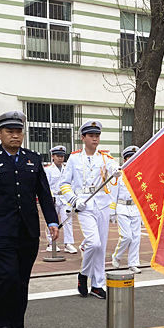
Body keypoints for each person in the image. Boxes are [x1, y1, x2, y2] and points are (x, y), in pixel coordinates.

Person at [0, 111, 59, 328]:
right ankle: (2, 322)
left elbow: (44, 194)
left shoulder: (33, 158)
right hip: (0, 229)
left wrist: (52, 221)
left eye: (18, 132)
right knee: (7, 276)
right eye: (10, 132)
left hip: (28, 229)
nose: (15, 136)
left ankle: (18, 323)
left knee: (22, 279)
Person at [59, 120, 119, 299]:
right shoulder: (74, 158)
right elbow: (64, 183)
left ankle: (97, 284)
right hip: (84, 205)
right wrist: (74, 200)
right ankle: (83, 274)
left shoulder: (105, 157)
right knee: (94, 243)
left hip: (102, 204)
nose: (95, 139)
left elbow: (113, 168)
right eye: (91, 135)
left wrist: (116, 171)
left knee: (101, 247)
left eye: (97, 135)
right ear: (83, 137)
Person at [110, 145, 142, 274]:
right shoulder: (118, 174)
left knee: (136, 237)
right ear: (125, 159)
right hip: (122, 207)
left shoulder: (140, 175)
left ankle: (133, 263)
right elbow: (113, 194)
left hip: (135, 208)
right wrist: (112, 212)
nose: (132, 160)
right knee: (126, 236)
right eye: (130, 157)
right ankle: (116, 256)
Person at [43, 145, 78, 254]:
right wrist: (49, 198)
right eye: (58, 156)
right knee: (51, 221)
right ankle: (51, 243)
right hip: (54, 198)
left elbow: (71, 183)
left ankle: (68, 243)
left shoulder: (67, 169)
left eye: (62, 156)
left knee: (67, 221)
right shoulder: (48, 170)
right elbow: (45, 186)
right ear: (53, 156)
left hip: (65, 198)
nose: (60, 158)